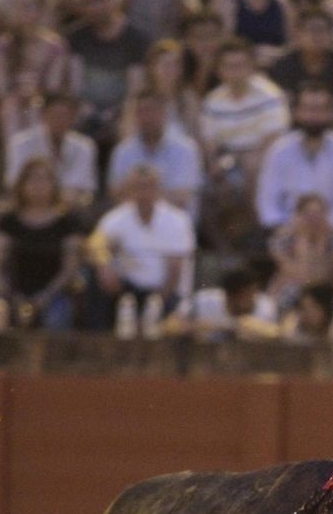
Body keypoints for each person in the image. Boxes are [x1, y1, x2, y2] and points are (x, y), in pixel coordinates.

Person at [0, 156, 87, 330]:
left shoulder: (68, 223)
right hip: (13, 294)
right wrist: (14, 297)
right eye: (32, 178)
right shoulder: (7, 222)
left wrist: (44, 297)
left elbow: (70, 268)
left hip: (55, 294)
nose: (38, 184)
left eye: (44, 179)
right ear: (21, 184)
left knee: (57, 317)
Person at [88, 164, 197, 325]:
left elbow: (175, 272)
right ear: (128, 190)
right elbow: (96, 245)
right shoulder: (114, 219)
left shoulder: (177, 220)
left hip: (166, 294)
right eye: (137, 187)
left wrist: (151, 308)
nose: (143, 193)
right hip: (128, 293)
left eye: (148, 187)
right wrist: (104, 267)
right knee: (96, 283)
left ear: (159, 189)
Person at [255, 81, 333, 231]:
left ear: (330, 113)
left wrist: (324, 229)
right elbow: (267, 201)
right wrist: (285, 228)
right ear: (297, 112)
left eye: (320, 109)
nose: (314, 116)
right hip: (285, 230)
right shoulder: (279, 150)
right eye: (308, 109)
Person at [67, 0, 150, 150]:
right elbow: (75, 83)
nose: (93, 8)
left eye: (98, 0)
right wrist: (85, 109)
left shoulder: (136, 38)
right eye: (88, 2)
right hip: (86, 110)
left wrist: (115, 113)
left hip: (121, 111)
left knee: (130, 120)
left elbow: (135, 88)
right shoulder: (76, 37)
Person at [0, 0, 71, 144]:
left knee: (35, 107)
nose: (22, 12)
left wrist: (37, 93)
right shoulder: (3, 45)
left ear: (41, 11)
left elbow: (54, 85)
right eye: (17, 7)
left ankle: (39, 155)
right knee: (10, 109)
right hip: (12, 100)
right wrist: (17, 94)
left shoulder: (55, 45)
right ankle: (14, 157)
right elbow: (0, 85)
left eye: (28, 7)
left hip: (42, 99)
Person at [200, 38, 290, 184]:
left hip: (260, 158)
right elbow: (209, 141)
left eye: (240, 66)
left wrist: (248, 159)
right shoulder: (212, 101)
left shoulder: (270, 94)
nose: (235, 72)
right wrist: (213, 163)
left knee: (253, 166)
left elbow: (274, 137)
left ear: (252, 67)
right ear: (219, 70)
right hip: (227, 159)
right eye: (229, 67)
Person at [109, 89, 205, 219]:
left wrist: (139, 192)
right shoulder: (123, 151)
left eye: (151, 110)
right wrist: (153, 193)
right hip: (133, 224)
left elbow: (181, 198)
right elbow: (116, 195)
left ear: (164, 113)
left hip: (174, 224)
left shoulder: (186, 149)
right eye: (140, 112)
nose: (146, 117)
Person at [4, 93, 98, 208]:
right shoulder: (20, 143)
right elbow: (14, 181)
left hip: (70, 208)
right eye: (55, 115)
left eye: (65, 115)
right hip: (29, 206)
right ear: (44, 115)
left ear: (73, 118)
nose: (60, 120)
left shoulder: (85, 146)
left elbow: (83, 186)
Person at [272, 191, 333, 309]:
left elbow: (324, 274)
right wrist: (303, 240)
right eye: (309, 215)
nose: (314, 220)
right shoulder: (283, 238)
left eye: (319, 214)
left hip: (325, 288)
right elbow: (298, 273)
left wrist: (321, 242)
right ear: (299, 215)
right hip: (292, 286)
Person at [161, 262, 277, 339]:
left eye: (253, 294)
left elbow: (280, 332)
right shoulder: (202, 301)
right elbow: (169, 326)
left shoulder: (265, 306)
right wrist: (215, 326)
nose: (251, 300)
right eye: (245, 296)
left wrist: (257, 329)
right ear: (229, 296)